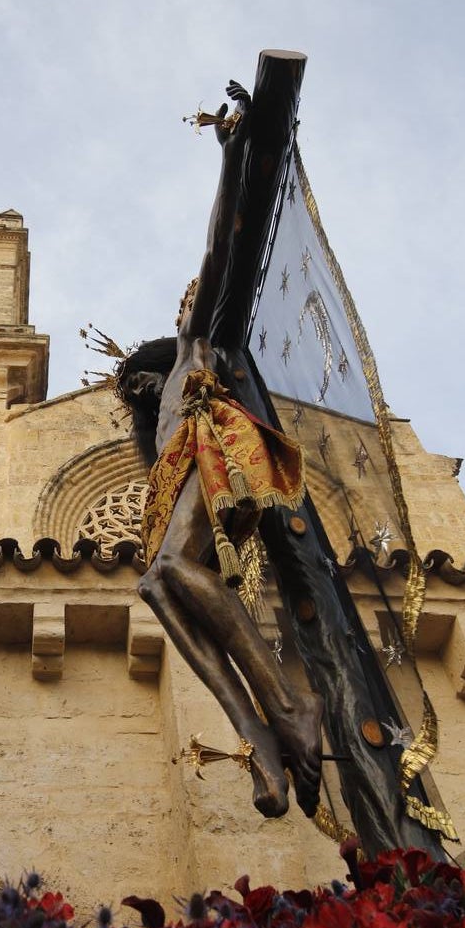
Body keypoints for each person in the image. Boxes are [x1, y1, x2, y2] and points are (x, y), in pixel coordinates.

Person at [118, 85, 323, 820]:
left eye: (192, 298)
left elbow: (220, 241)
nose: (190, 299)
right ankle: (259, 737)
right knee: (155, 584)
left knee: (172, 566)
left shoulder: (199, 344)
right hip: (186, 465)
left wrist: (235, 152)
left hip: (224, 451)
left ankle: (288, 706)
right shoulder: (164, 390)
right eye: (185, 299)